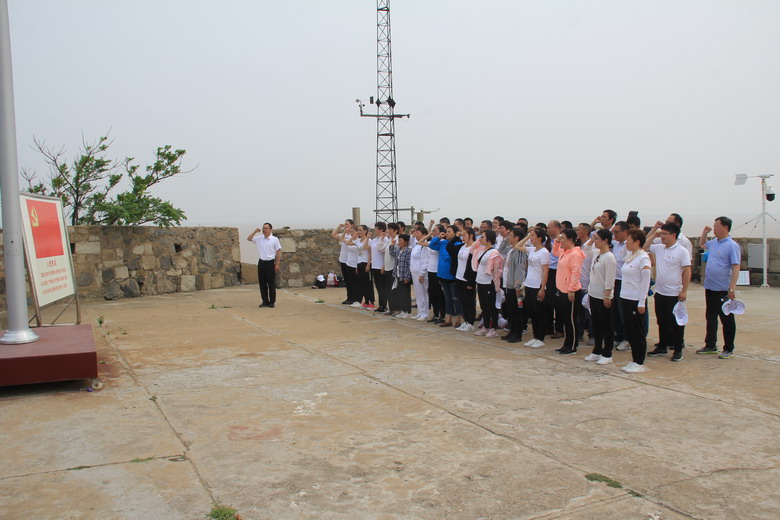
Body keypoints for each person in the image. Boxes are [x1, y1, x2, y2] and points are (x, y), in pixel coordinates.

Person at [645, 222, 691, 362]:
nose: (662, 237)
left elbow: (687, 271)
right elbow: (644, 246)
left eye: (665, 234)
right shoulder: (659, 248)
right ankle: (662, 346)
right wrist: (655, 233)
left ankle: (677, 349)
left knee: (676, 323)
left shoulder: (682, 251)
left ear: (674, 235)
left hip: (674, 293)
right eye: (662, 234)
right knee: (662, 321)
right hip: (660, 292)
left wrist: (684, 290)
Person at [697, 216, 741, 358]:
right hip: (710, 287)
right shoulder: (714, 243)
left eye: (717, 226)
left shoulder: (732, 245)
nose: (714, 229)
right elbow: (702, 244)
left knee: (726, 318)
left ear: (725, 228)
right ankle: (710, 345)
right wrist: (705, 232)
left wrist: (732, 288)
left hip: (723, 289)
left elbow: (736, 267)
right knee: (710, 316)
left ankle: (728, 348)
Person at [620, 229, 652, 373]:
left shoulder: (643, 258)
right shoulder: (630, 256)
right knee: (629, 331)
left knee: (637, 332)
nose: (626, 242)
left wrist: (641, 301)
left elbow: (645, 282)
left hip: (635, 299)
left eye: (629, 240)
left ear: (637, 242)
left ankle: (639, 362)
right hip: (625, 297)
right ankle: (634, 359)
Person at [583, 229, 616, 364]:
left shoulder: (609, 257)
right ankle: (597, 351)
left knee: (606, 325)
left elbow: (610, 278)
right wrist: (592, 238)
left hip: (604, 296)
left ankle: (607, 353)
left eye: (597, 238)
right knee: (595, 324)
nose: (594, 241)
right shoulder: (596, 253)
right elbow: (585, 249)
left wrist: (607, 295)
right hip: (593, 294)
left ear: (605, 241)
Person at [552, 228, 585, 355]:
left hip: (571, 291)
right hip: (562, 289)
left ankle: (572, 346)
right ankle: (567, 343)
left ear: (571, 239)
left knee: (571, 320)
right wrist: (556, 241)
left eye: (563, 239)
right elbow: (555, 252)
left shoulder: (575, 254)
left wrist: (572, 289)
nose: (561, 241)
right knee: (566, 319)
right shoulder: (564, 252)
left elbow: (576, 273)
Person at [516, 227, 550, 348]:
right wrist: (527, 236)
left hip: (537, 285)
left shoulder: (544, 252)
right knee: (532, 312)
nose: (531, 238)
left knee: (539, 312)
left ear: (540, 238)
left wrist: (542, 288)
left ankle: (541, 338)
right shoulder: (531, 249)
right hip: (529, 284)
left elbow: (545, 272)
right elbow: (518, 246)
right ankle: (535, 336)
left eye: (533, 236)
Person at [427, 225, 463, 328]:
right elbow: (432, 245)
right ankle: (448, 319)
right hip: (442, 274)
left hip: (452, 274)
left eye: (449, 231)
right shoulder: (442, 243)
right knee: (447, 298)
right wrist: (438, 237)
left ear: (455, 233)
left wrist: (457, 238)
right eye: (446, 231)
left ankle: (458, 319)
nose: (447, 233)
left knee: (455, 298)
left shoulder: (458, 244)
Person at [473, 230, 504, 337]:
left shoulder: (494, 252)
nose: (480, 239)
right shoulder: (481, 249)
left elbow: (497, 270)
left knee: (491, 306)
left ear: (489, 238)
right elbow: (472, 249)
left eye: (483, 237)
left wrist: (497, 285)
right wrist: (478, 241)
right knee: (484, 306)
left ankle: (493, 328)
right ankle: (485, 326)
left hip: (489, 282)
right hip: (480, 280)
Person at [501, 228, 528, 343]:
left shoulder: (520, 251)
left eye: (511, 235)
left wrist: (518, 285)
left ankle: (518, 334)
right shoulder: (511, 249)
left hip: (515, 285)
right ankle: (512, 331)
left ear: (517, 238)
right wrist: (507, 238)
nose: (509, 237)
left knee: (517, 311)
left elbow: (520, 269)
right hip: (508, 284)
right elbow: (501, 249)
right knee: (511, 310)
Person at [247, 223, 281, 308]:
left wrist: (277, 264)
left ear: (270, 229)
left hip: (270, 263)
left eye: (266, 228)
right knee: (262, 283)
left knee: (271, 283)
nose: (264, 230)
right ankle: (265, 301)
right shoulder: (259, 239)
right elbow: (249, 239)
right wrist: (255, 231)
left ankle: (272, 302)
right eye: (263, 228)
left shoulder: (275, 240)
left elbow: (278, 252)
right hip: (261, 263)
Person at [455, 227, 478, 332]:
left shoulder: (474, 249)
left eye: (464, 235)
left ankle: (471, 322)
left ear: (471, 235)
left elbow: (473, 267)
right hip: (459, 277)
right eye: (462, 235)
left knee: (469, 302)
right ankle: (466, 321)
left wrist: (471, 282)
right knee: (462, 301)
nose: (462, 237)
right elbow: (450, 248)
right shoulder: (462, 246)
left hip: (467, 279)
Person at [332, 220, 356, 305]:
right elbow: (333, 235)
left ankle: (354, 298)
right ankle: (349, 297)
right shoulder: (344, 234)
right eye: (345, 224)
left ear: (352, 225)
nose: (346, 226)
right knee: (347, 280)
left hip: (351, 261)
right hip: (343, 259)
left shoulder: (353, 235)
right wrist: (339, 227)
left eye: (347, 224)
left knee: (352, 280)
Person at [410, 227, 430, 321]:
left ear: (424, 235)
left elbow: (425, 261)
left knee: (423, 294)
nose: (416, 234)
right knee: (418, 294)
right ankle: (420, 311)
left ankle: (425, 313)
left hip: (421, 273)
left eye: (418, 233)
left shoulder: (424, 246)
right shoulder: (417, 245)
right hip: (414, 272)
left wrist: (422, 274)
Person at [392, 234, 413, 317]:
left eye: (400, 240)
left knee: (406, 294)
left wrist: (407, 277)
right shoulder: (398, 250)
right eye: (398, 240)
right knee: (400, 293)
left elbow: (409, 265)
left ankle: (407, 311)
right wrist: (392, 245)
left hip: (404, 275)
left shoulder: (408, 251)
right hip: (398, 275)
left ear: (406, 242)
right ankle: (402, 310)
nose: (399, 242)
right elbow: (392, 253)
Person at [370, 222, 389, 312]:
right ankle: (381, 304)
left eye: (376, 228)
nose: (375, 230)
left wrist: (383, 266)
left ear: (380, 229)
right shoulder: (375, 240)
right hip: (374, 265)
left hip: (380, 265)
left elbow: (385, 253)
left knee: (382, 287)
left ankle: (384, 305)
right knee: (378, 287)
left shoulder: (385, 239)